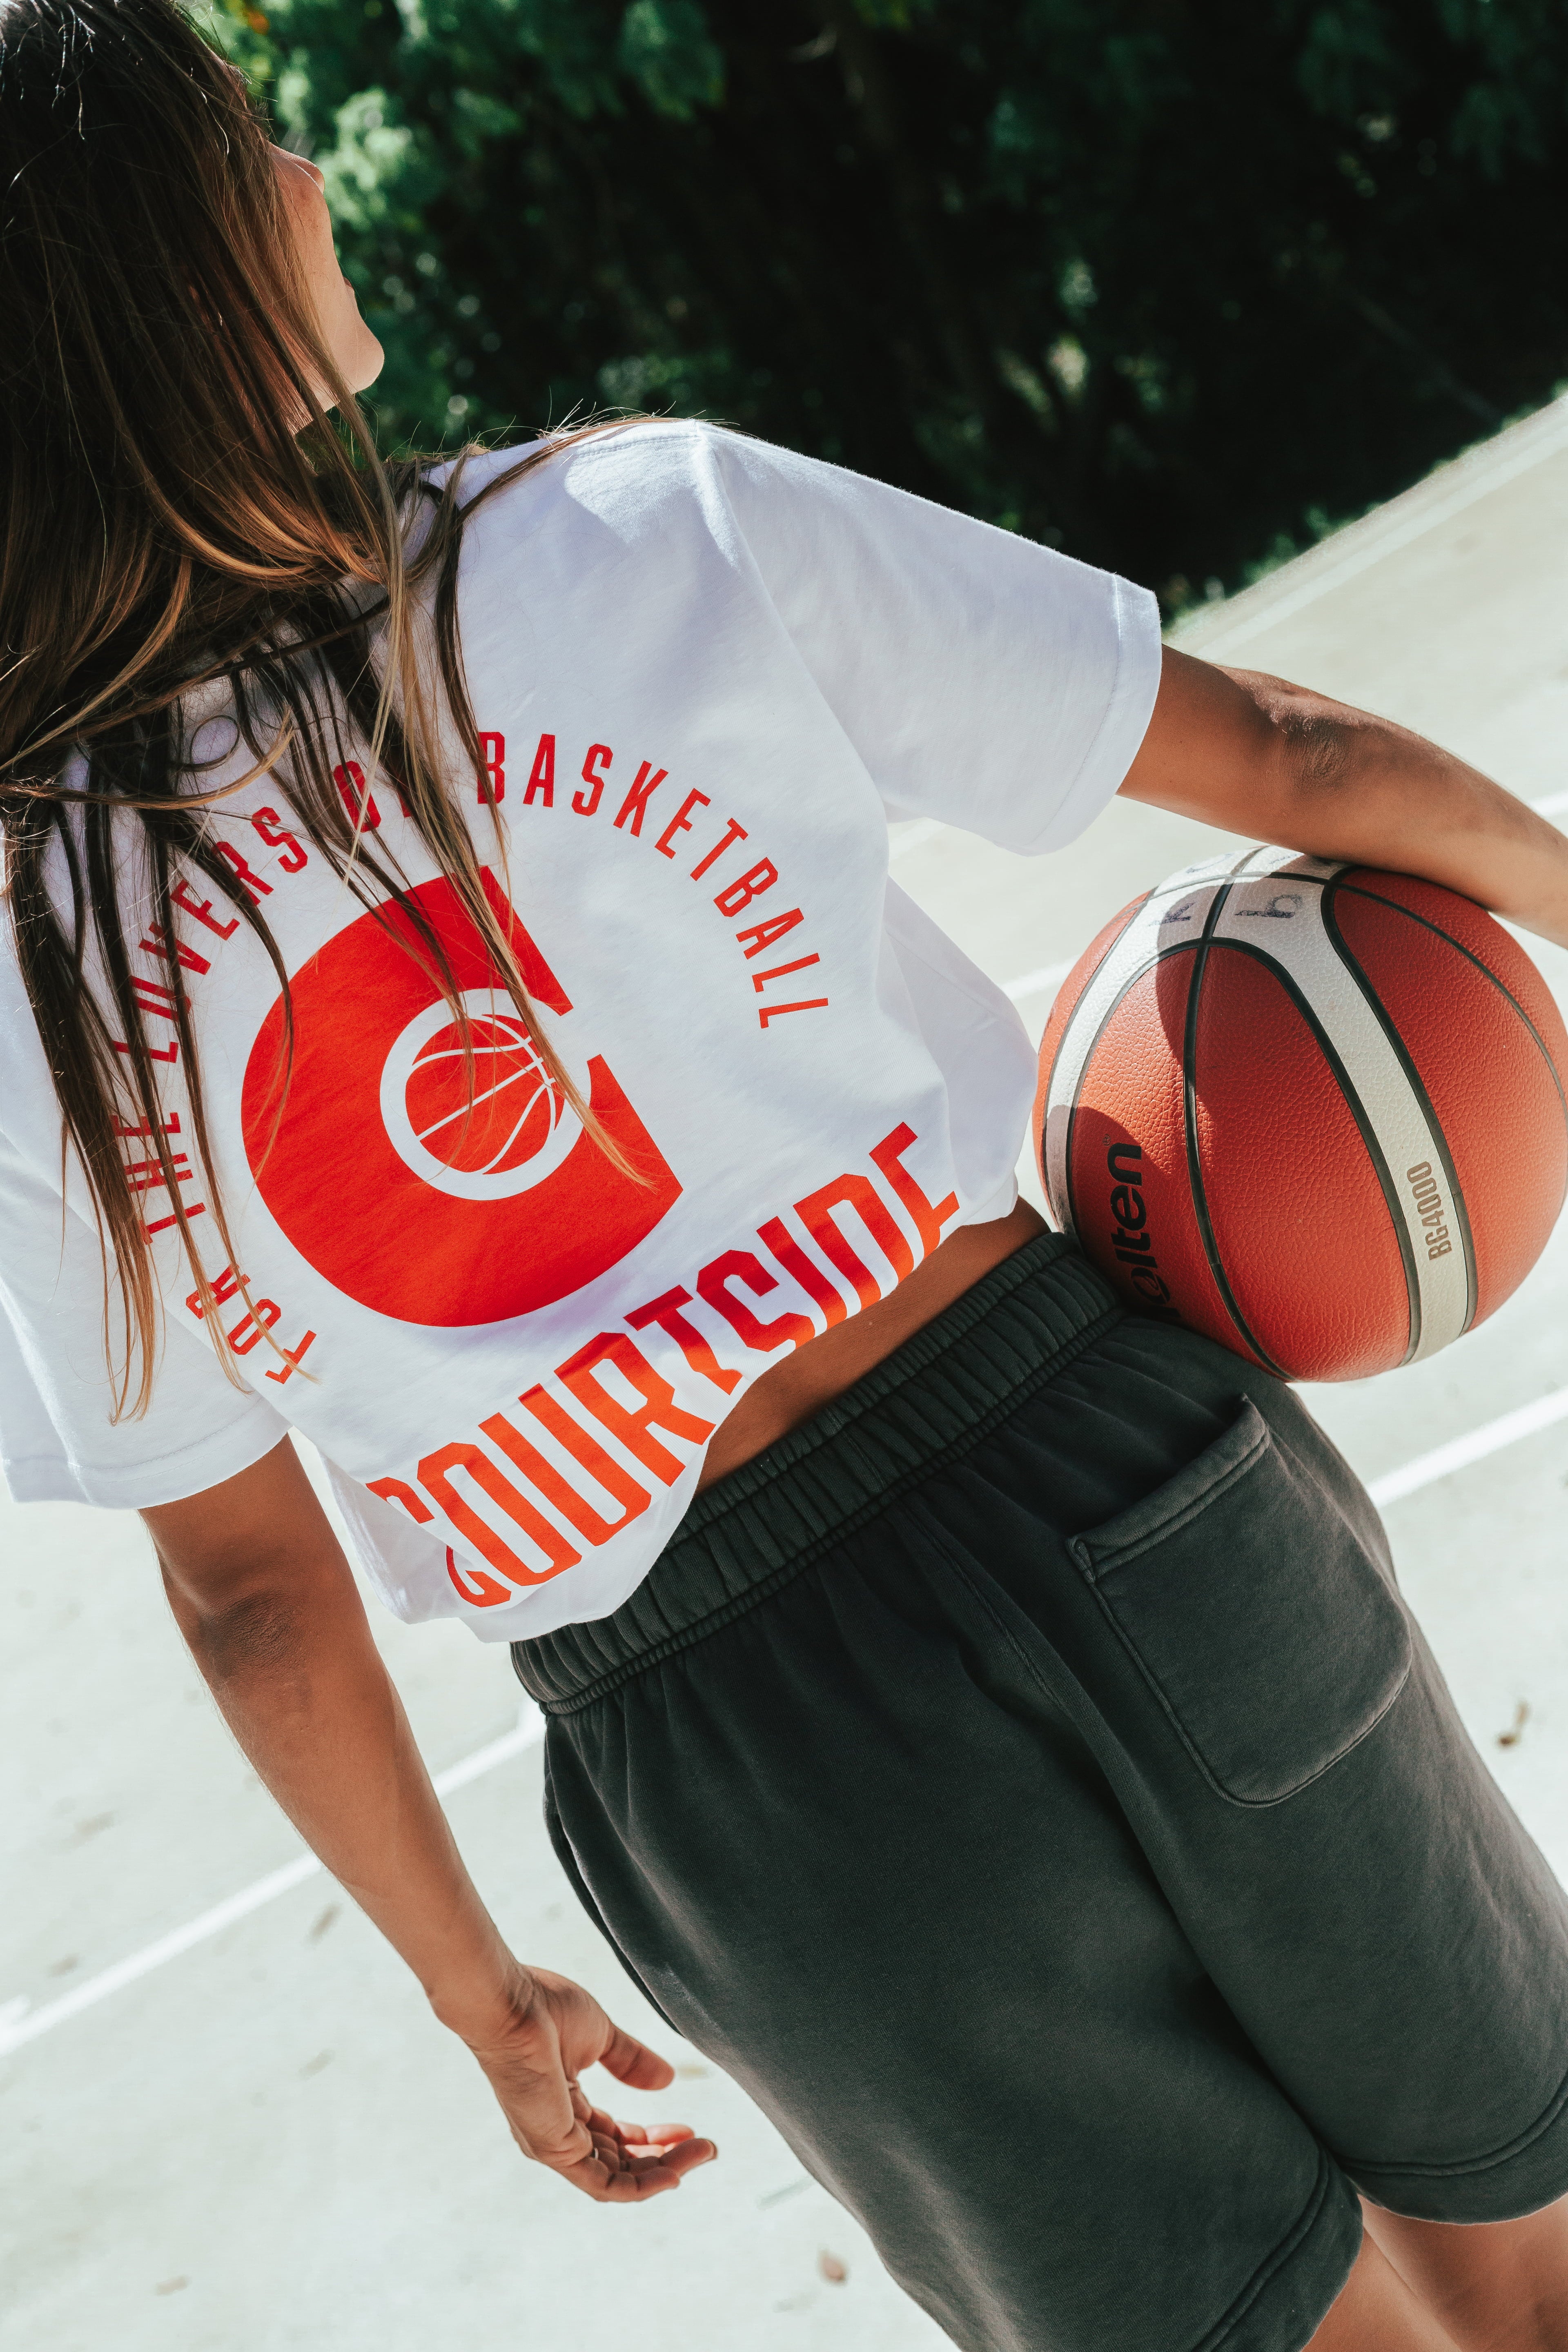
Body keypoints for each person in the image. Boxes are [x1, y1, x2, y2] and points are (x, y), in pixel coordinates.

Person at [3, 4, 1568, 2345]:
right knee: (1533, 2247)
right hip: (1100, 1466)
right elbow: (1283, 746)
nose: (313, 183)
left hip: (741, 1754)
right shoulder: (634, 527)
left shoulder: (27, 966)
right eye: (256, 150)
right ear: (192, 278)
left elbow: (248, 1588)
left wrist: (474, 1988)